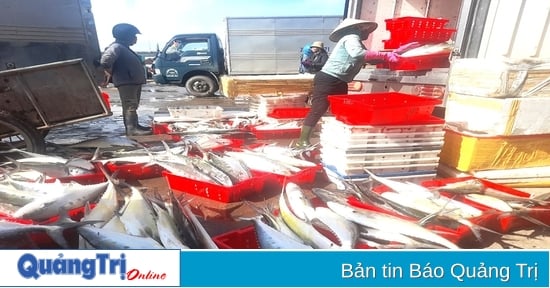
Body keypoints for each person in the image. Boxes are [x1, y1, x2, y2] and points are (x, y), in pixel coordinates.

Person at [294, 18, 420, 148]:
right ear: (360, 28)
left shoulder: (356, 41)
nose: (369, 34)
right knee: (318, 108)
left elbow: (371, 59)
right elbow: (358, 54)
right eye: (367, 30)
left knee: (341, 110)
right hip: (329, 78)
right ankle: (302, 141)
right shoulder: (351, 37)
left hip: (340, 80)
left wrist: (395, 52)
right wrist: (386, 56)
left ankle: (337, 137)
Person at [100, 23, 152, 136]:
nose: (135, 38)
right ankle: (131, 129)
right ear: (126, 36)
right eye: (133, 35)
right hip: (126, 81)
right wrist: (108, 72)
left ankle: (135, 125)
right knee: (130, 105)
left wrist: (143, 63)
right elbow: (105, 60)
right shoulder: (116, 47)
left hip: (132, 81)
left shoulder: (124, 48)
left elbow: (127, 63)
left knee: (133, 105)